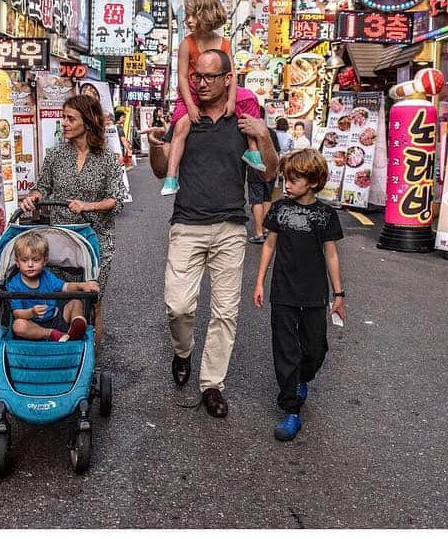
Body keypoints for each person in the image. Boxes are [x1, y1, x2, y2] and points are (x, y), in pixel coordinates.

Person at [148, 48, 279, 418]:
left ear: (227, 80)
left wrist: (264, 137)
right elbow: (161, 171)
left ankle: (211, 384)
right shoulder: (184, 120)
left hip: (230, 229)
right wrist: (156, 146)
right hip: (186, 225)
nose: (201, 84)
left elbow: (268, 174)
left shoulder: (242, 122)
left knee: (225, 313)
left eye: (209, 77)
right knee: (178, 306)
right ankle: (182, 351)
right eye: (197, 78)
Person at [253, 149, 345, 442]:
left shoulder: (326, 215)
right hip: (283, 291)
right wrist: (259, 282)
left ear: (314, 181)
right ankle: (291, 408)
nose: (288, 184)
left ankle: (303, 378)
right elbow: (269, 246)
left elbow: (331, 254)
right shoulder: (279, 209)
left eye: (294, 179)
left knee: (316, 348)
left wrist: (338, 293)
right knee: (285, 351)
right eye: (286, 179)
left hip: (315, 293)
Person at [21, 94, 128, 340]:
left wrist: (87, 206)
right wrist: (33, 197)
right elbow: (42, 187)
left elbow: (116, 200)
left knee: (92, 298)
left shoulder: (108, 159)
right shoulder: (56, 156)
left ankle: (90, 358)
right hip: (61, 239)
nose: (65, 123)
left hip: (96, 239)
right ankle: (61, 350)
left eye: (70, 118)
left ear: (88, 122)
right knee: (60, 297)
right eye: (63, 118)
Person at [161, 0, 264, 195]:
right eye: (187, 16)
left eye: (193, 15)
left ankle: (253, 151)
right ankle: (171, 176)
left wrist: (233, 100)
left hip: (221, 89)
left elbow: (232, 74)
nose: (188, 21)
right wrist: (190, 105)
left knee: (249, 102)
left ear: (206, 15)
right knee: (181, 126)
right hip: (191, 90)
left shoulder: (224, 43)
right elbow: (182, 77)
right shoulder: (186, 44)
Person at [6, 231, 98, 342]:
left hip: (55, 317)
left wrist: (82, 285)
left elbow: (65, 286)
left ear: (44, 261)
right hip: (32, 324)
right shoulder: (14, 285)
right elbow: (17, 313)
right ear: (17, 262)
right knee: (18, 325)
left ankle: (76, 325)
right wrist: (32, 312)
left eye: (35, 260)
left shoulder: (47, 276)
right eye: (24, 261)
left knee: (76, 302)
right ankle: (49, 333)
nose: (30, 265)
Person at [248, 124, 281, 244]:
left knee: (256, 200)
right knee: (267, 198)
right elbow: (277, 152)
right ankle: (266, 228)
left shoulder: (249, 130)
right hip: (271, 169)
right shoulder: (270, 132)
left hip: (255, 169)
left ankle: (259, 233)